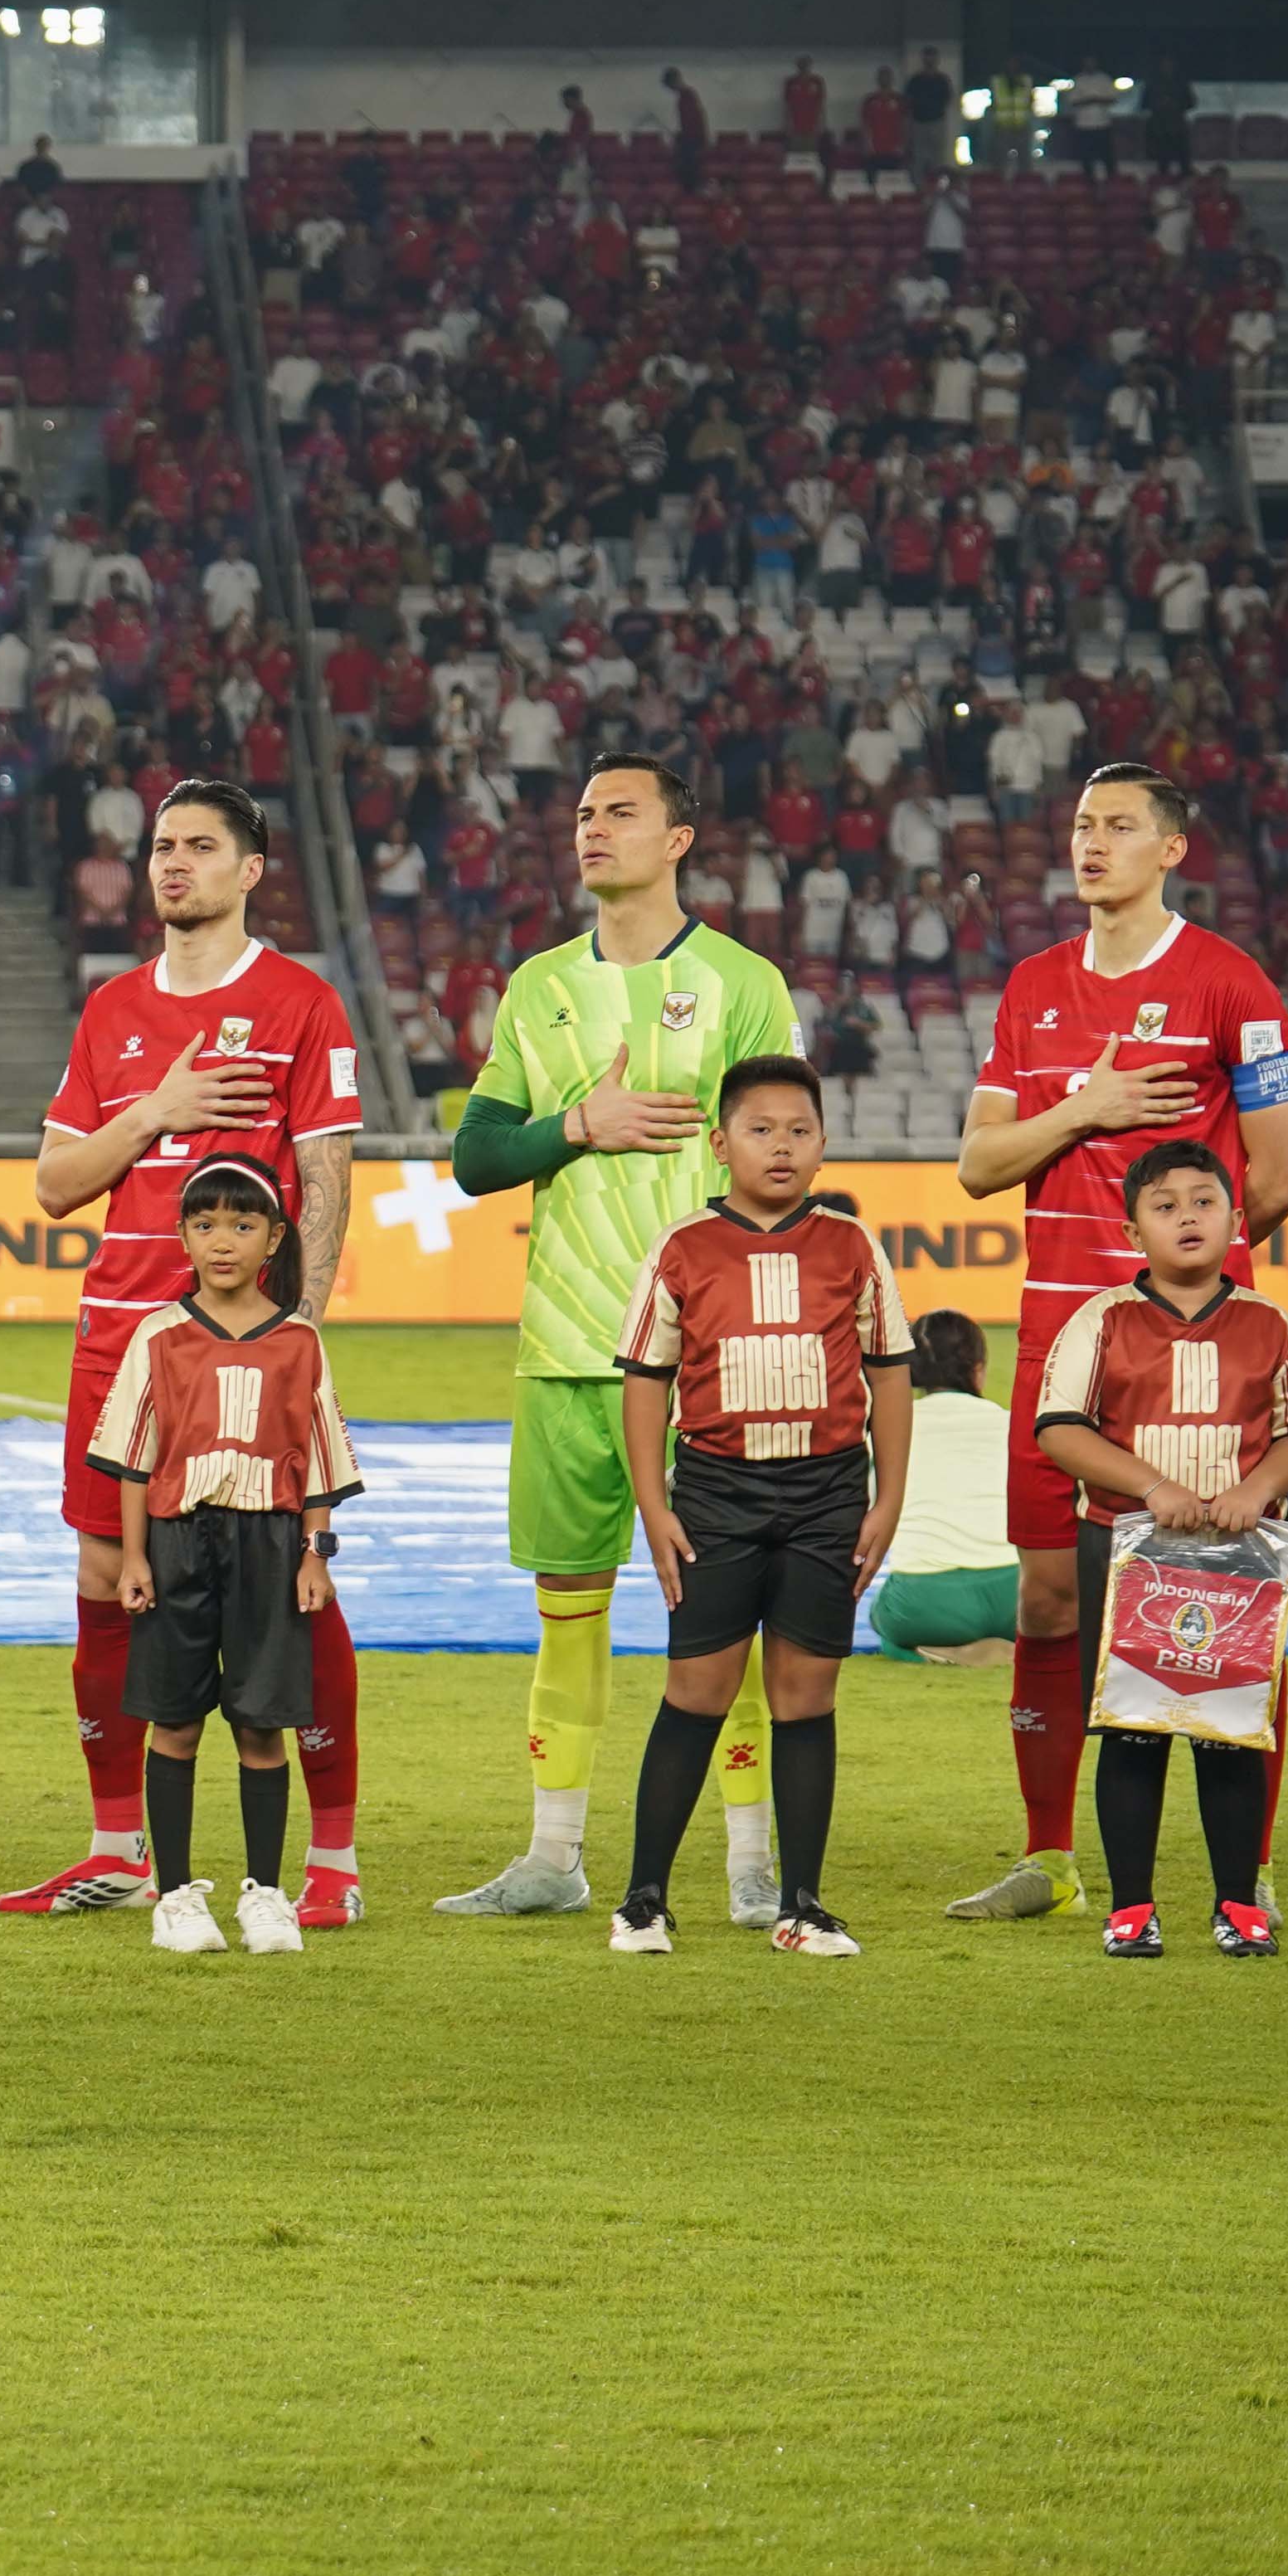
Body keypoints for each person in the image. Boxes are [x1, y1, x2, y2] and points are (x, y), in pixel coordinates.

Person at [435, 754, 804, 1923]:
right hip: (562, 1344)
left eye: (618, 812)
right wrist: (574, 1124)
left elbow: (781, 1151)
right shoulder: (535, 986)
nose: (590, 829)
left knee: (720, 1612)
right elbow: (475, 1158)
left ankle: (748, 1862)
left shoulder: (741, 981)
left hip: (707, 1357)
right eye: (584, 813)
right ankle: (551, 1856)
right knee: (568, 1600)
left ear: (678, 837)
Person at [947, 767, 1288, 1924]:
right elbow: (978, 1162)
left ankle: (1238, 1868)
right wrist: (1083, 1109)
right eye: (1077, 826)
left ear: (1171, 849)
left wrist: (1183, 1295)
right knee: (1048, 1598)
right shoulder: (1031, 986)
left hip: (1193, 1350)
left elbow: (1285, 1169)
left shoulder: (1229, 984)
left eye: (1115, 827)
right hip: (1056, 1331)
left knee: (1224, 1584)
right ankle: (1047, 1859)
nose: (1087, 844)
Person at [12, 778, 363, 1924]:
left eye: (199, 846)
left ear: (250, 869)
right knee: (102, 1586)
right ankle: (116, 1845)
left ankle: (331, 1863)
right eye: (161, 846)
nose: (173, 864)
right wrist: (153, 1109)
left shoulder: (300, 1002)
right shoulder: (110, 1009)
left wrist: (293, 1334)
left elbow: (319, 1182)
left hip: (242, 1359)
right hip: (116, 1345)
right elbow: (58, 1185)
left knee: (285, 1591)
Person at [610, 1059, 911, 1958]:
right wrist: (653, 1505)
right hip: (715, 1493)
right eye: (759, 1129)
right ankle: (642, 1900)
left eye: (798, 1130)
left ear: (822, 1144)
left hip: (826, 1495)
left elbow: (889, 1374)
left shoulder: (852, 1245)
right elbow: (643, 1384)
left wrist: (886, 1497)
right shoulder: (682, 1246)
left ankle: (802, 1904)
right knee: (694, 1690)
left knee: (804, 1694)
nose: (780, 1146)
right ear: (720, 1143)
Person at [1033, 1142, 1288, 1959]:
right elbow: (1058, 1427)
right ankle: (1131, 1907)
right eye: (1163, 1205)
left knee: (1226, 1731)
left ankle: (1237, 1904)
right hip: (1127, 1550)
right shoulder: (1100, 1318)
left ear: (1235, 1219)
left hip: (1236, 1559)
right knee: (1132, 1729)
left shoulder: (1269, 1323)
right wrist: (1150, 1485)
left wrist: (1253, 1488)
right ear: (1133, 1230)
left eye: (1203, 1200)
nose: (1186, 1217)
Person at [92, 1161, 360, 1959]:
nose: (222, 1241)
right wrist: (134, 1557)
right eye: (205, 1225)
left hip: (270, 1548)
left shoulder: (298, 1340)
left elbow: (317, 1461)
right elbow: (135, 1459)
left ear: (273, 1240)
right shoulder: (159, 1335)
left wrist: (314, 1555)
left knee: (261, 1727)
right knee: (173, 1725)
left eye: (242, 1226)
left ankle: (264, 1893)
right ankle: (174, 1896)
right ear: (183, 1237)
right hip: (178, 1545)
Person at [868, 1312, 1021, 1660]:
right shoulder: (1012, 1426)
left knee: (884, 1622)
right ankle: (1010, 1648)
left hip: (925, 1603)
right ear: (978, 1368)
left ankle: (930, 1653)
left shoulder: (886, 1430)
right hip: (1016, 1597)